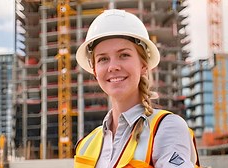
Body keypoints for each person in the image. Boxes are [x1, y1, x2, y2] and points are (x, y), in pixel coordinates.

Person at [74, 9, 200, 168]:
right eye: (103, 59)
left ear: (143, 65)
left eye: (124, 55)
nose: (113, 67)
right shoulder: (86, 145)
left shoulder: (166, 128)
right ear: (94, 71)